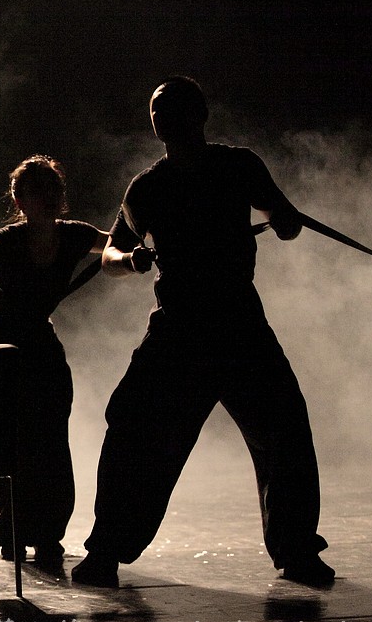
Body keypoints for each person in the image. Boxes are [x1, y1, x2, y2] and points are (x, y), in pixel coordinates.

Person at [70, 77, 335, 588]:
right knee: (133, 430)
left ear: (200, 114)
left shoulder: (239, 165)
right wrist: (130, 259)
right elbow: (110, 254)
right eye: (155, 109)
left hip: (238, 322)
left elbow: (283, 219)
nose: (160, 116)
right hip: (179, 327)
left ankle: (298, 550)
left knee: (284, 434)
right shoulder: (147, 186)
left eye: (170, 107)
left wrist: (285, 221)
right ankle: (105, 550)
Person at [0, 155, 106, 574]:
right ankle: (16, 527)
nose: (50, 198)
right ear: (20, 200)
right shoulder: (4, 239)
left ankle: (48, 531)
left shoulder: (76, 235)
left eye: (54, 189)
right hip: (1, 349)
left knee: (52, 439)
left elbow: (116, 245)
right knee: (11, 441)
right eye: (40, 191)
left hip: (40, 346)